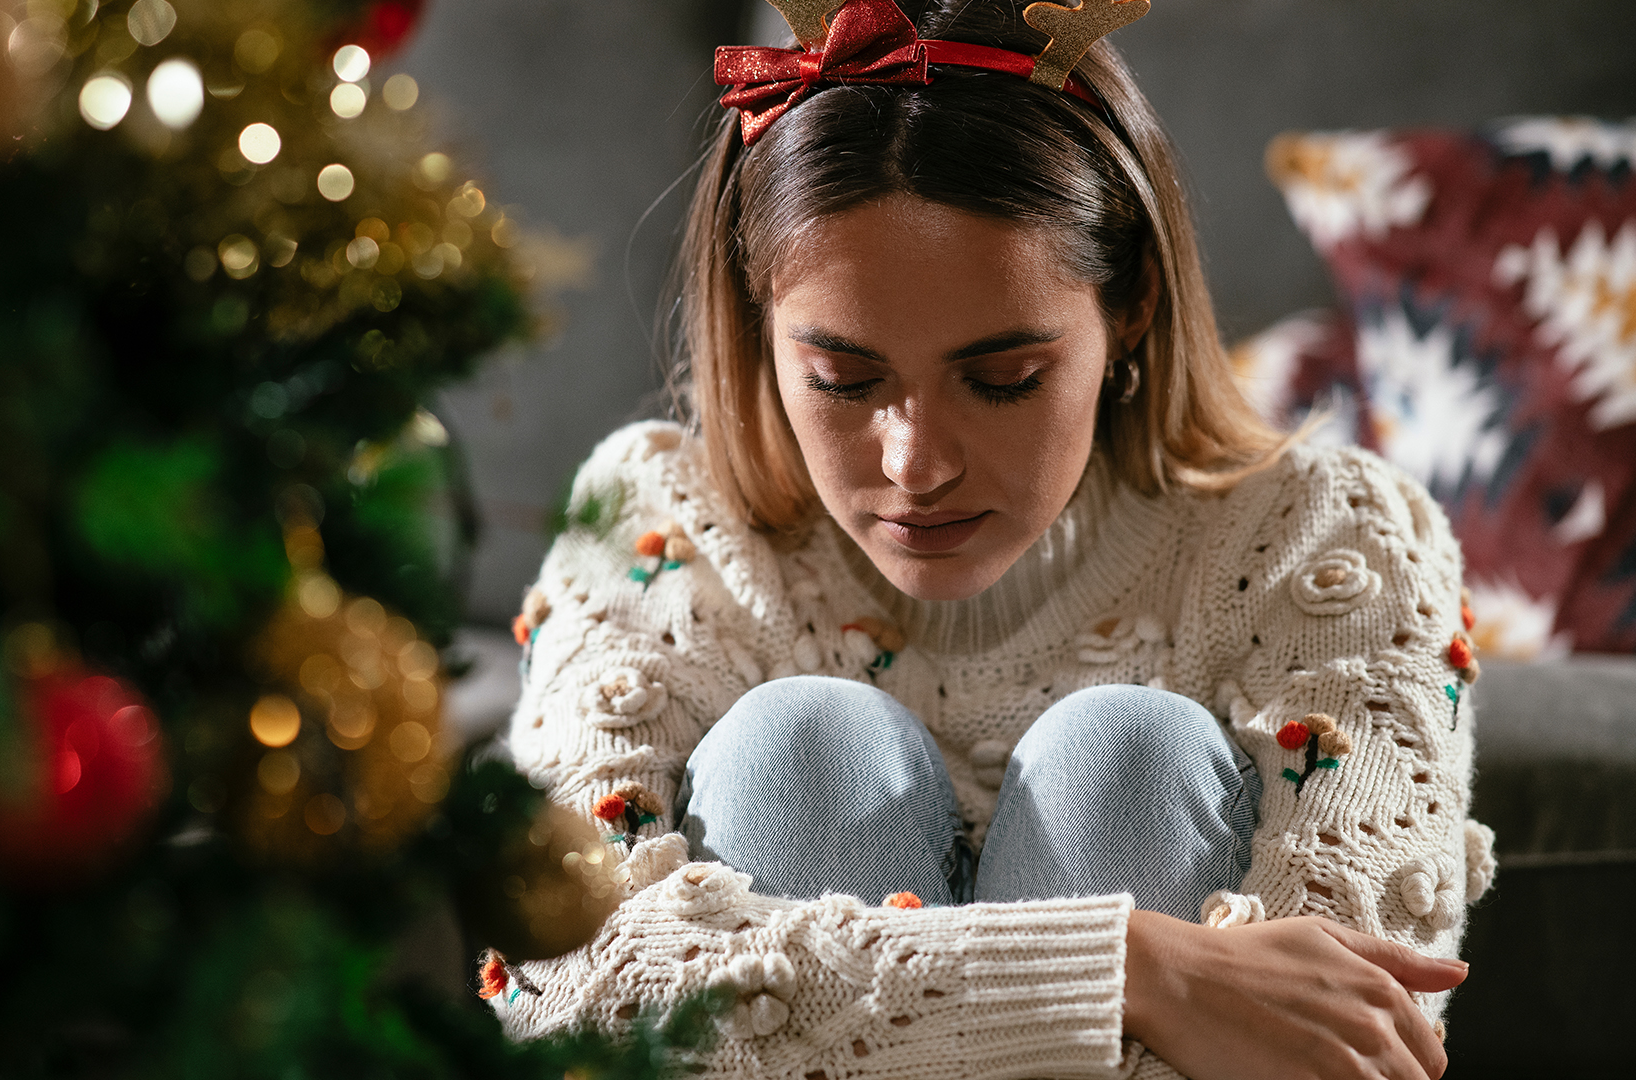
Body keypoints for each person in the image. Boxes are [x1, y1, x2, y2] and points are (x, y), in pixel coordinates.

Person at [488, 2, 1493, 1077]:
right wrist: (1129, 969)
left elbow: (1347, 1037)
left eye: (1004, 379)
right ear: (755, 324)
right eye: (843, 379)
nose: (916, 466)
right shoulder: (665, 522)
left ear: (1133, 309)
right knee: (800, 747)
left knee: (1127, 757)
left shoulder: (1328, 537)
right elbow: (563, 983)